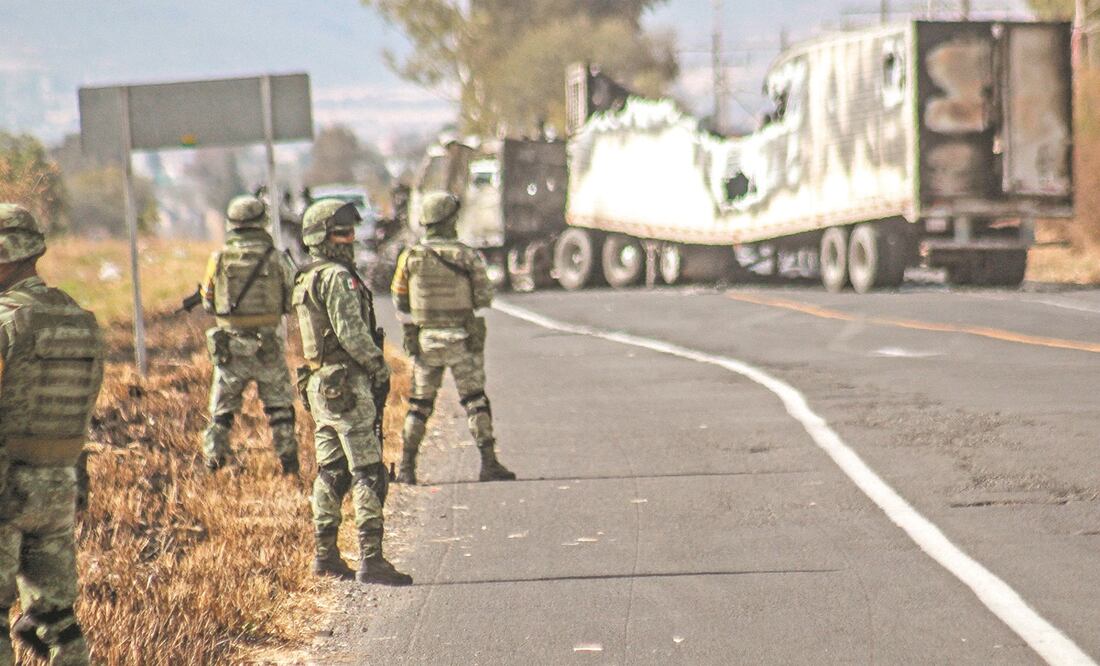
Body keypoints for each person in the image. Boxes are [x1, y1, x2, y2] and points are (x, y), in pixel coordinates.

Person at [0, 204, 104, 665]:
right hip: (60, 485)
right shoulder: (80, 319)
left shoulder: (6, 322)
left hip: (5, 487)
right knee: (59, 621)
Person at [292, 199, 412, 585]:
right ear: (321, 237)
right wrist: (379, 367)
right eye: (341, 233)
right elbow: (350, 332)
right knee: (368, 472)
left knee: (330, 471)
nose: (349, 240)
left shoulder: (305, 276)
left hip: (321, 385)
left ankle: (325, 554)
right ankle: (371, 558)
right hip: (347, 381)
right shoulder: (337, 278)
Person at [391, 191, 515, 485]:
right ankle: (488, 463)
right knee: (475, 401)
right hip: (462, 339)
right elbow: (484, 297)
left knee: (419, 406)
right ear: (450, 220)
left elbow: (399, 300)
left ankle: (407, 467)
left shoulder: (411, 257)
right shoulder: (466, 255)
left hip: (426, 341)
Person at [200, 195, 299, 474]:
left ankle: (213, 462)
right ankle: (289, 465)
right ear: (262, 223)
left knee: (221, 413)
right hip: (267, 346)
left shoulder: (217, 259)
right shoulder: (277, 258)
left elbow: (208, 301)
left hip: (230, 348)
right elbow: (292, 299)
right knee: (280, 410)